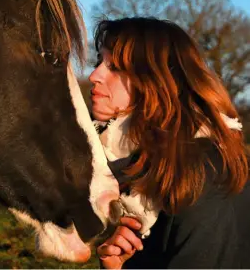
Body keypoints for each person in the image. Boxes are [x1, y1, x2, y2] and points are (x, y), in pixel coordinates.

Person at [89, 17, 250, 269]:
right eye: (99, 61)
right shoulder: (143, 167)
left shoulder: (205, 170)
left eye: (116, 66)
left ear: (158, 81)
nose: (94, 75)